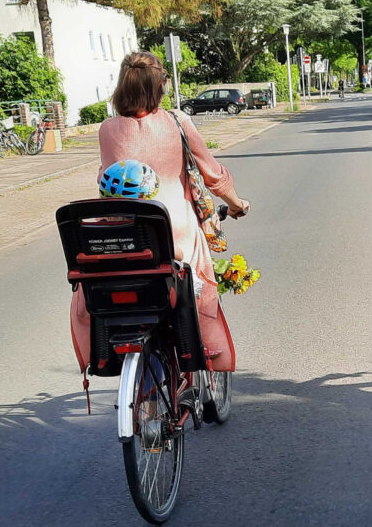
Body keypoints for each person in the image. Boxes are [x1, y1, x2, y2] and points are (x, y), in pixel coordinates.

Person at [70, 51, 250, 375]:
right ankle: (206, 350)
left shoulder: (107, 129)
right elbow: (211, 174)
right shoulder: (177, 122)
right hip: (172, 231)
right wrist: (236, 204)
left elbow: (105, 177)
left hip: (121, 234)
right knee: (199, 287)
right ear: (159, 87)